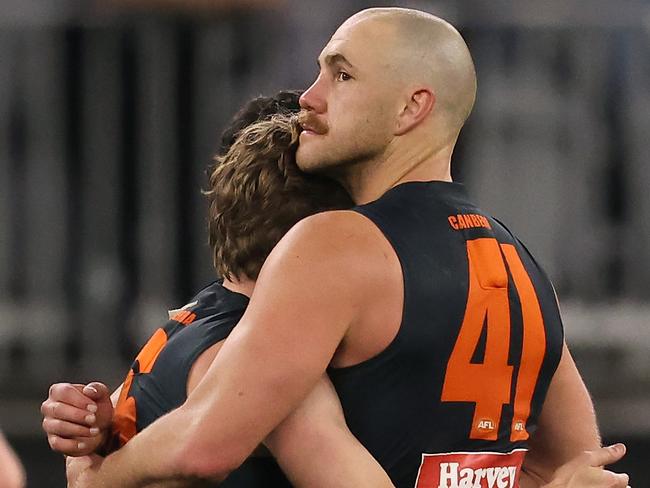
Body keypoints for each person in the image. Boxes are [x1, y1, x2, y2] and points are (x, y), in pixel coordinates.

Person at [43, 7, 630, 488]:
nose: (309, 96)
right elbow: (576, 468)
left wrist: (100, 474)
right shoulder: (519, 260)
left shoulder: (333, 244)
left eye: (341, 76)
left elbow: (205, 442)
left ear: (412, 107)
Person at [41, 92, 394, 487]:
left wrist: (95, 439)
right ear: (326, 235)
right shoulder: (263, 362)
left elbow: (87, 450)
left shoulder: (200, 314)